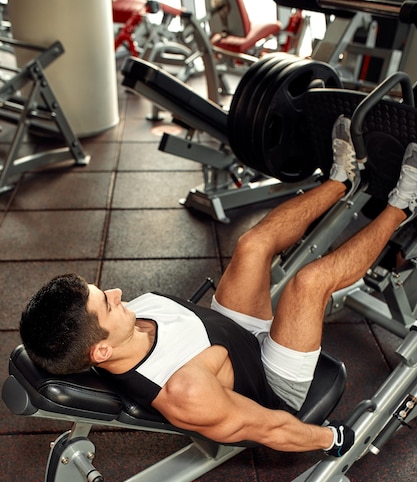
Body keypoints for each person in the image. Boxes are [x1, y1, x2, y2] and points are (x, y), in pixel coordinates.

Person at [20, 116, 417, 457]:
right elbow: (270, 428)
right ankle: (402, 204)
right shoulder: (185, 392)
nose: (117, 294)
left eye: (101, 290)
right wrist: (333, 439)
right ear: (102, 348)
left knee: (252, 245)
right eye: (106, 304)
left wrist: (215, 353)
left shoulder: (121, 326)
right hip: (269, 383)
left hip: (229, 339)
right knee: (309, 282)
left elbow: (207, 345)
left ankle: (339, 181)